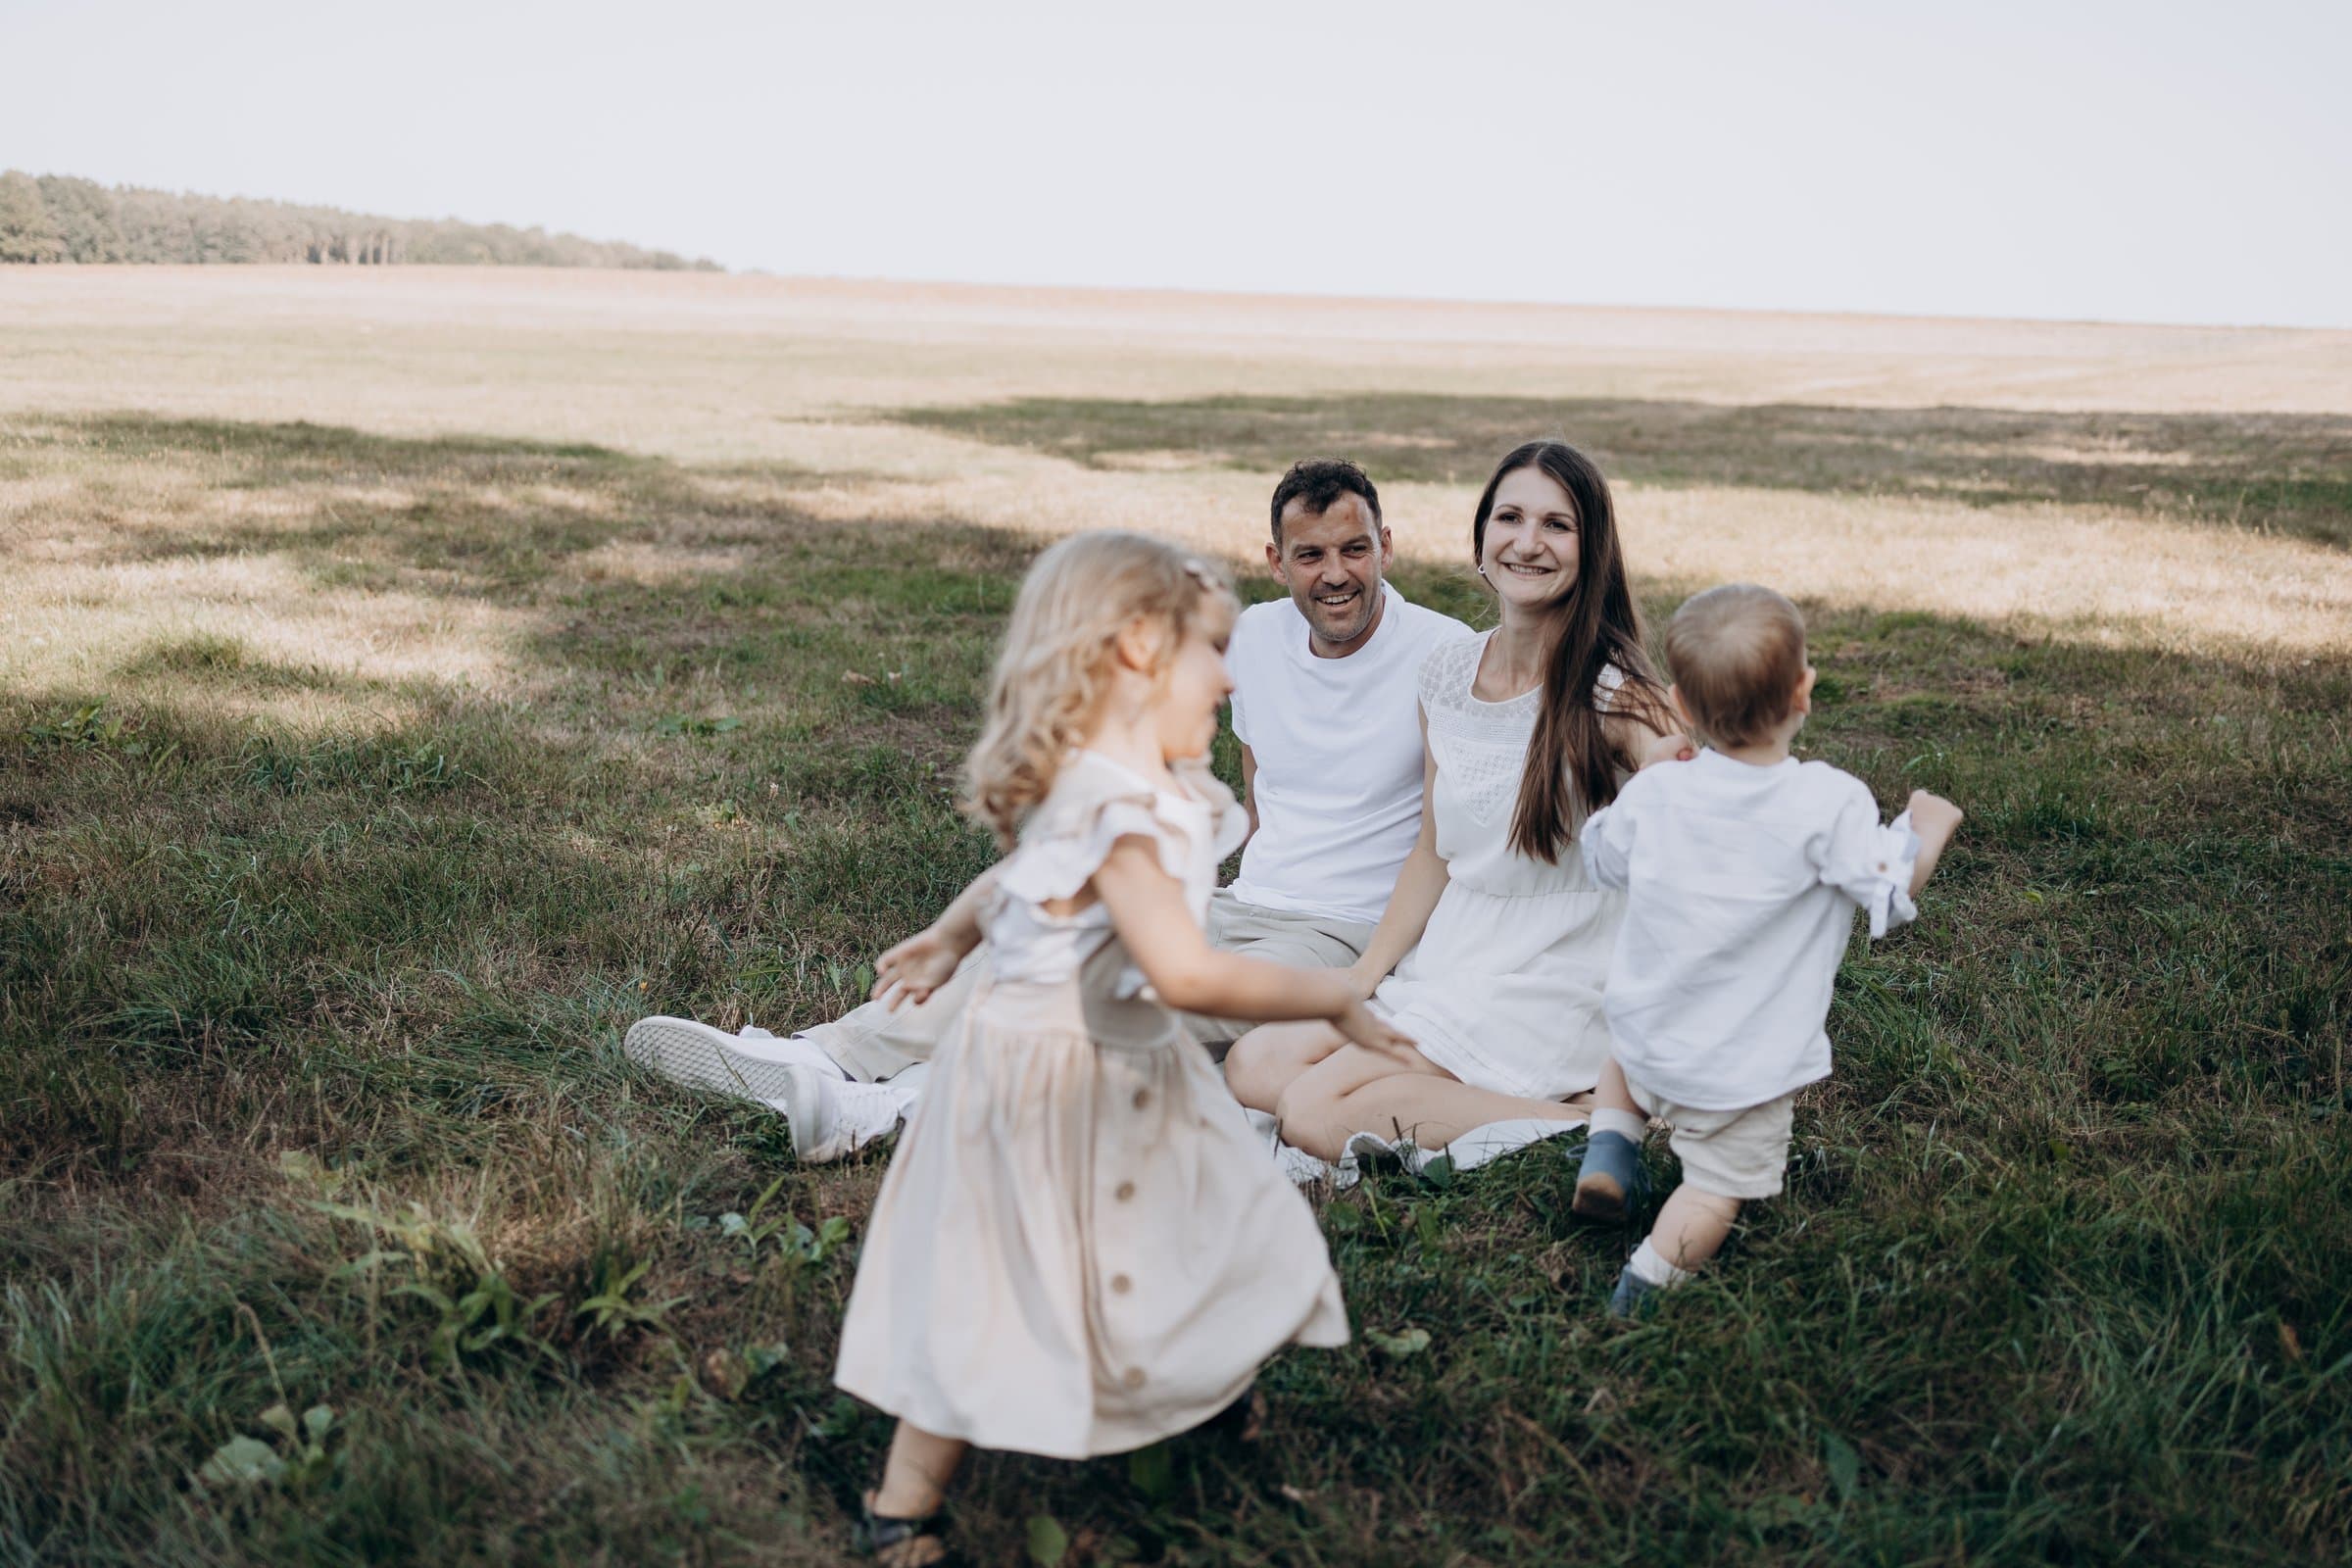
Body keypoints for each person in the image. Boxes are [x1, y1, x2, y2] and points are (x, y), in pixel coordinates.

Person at [832, 532, 1410, 1562]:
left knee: (1192, 1223)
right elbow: (1185, 972)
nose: (1230, 676)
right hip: (1061, 1082)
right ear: (1141, 650)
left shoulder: (1101, 780)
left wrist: (954, 931)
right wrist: (1332, 995)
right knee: (1006, 1282)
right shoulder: (1124, 815)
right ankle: (904, 1501)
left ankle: (1197, 1383)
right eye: (1211, 652)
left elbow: (1021, 875)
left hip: (1093, 1063)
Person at [623, 458, 1468, 1159]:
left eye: (1355, 550)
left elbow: (1445, 829)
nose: (1336, 575)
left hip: (1342, 931)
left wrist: (1367, 972)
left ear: (1386, 546)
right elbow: (1258, 782)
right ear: (1277, 561)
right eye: (1311, 555)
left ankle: (892, 1108)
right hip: (1246, 901)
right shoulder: (1249, 638)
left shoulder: (1441, 653)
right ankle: (823, 1055)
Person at [1225, 440, 1688, 1171]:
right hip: (1455, 953)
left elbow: (1697, 798)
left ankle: (1601, 1126)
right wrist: (1363, 978)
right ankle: (1552, 1109)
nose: (1527, 543)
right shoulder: (1448, 671)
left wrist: (1676, 763)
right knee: (1255, 1064)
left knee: (1312, 1113)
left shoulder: (1614, 692)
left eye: (1557, 526)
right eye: (1509, 517)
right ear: (1482, 541)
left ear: (1591, 547)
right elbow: (1431, 852)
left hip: (1554, 970)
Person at [1569, 583, 1963, 1315]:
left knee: (1620, 1055)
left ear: (1681, 705)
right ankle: (1642, 1290)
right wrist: (1926, 823)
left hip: (1649, 1036)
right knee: (1714, 1190)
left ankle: (1611, 1153)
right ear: (1804, 691)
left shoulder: (1659, 794)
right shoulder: (1825, 803)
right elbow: (1891, 881)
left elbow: (1602, 856)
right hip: (1739, 1072)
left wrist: (1651, 774)